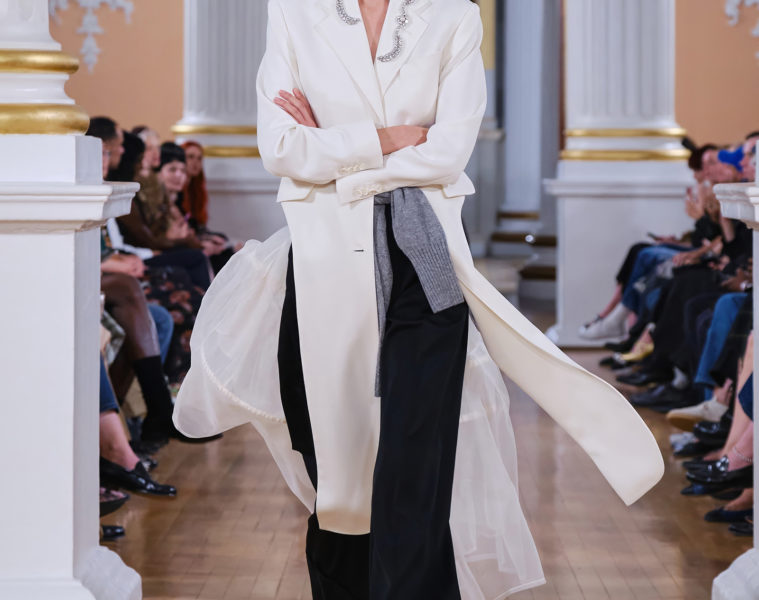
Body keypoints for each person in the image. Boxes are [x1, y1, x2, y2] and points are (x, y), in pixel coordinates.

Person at [173, 1, 664, 598]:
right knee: (338, 483)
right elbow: (279, 148)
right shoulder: (294, 11)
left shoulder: (454, 15)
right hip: (322, 264)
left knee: (415, 473)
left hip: (424, 261)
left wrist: (335, 154)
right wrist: (388, 140)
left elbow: (447, 153)